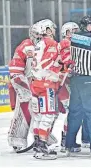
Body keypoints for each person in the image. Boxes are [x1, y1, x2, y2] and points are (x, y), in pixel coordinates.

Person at [64, 15, 91, 159]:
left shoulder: (74, 38)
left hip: (76, 80)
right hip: (90, 80)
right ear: (89, 26)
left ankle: (69, 146)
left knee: (75, 114)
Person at [30, 20, 60, 160]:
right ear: (47, 30)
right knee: (48, 115)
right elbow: (49, 63)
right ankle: (42, 145)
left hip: (36, 83)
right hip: (46, 84)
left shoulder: (38, 44)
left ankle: (37, 143)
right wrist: (60, 66)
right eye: (52, 28)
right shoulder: (51, 43)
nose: (54, 31)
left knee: (38, 116)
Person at [7, 24, 36, 152]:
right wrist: (23, 87)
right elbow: (15, 70)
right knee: (24, 110)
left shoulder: (50, 46)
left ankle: (42, 139)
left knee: (45, 114)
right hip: (29, 84)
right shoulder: (25, 47)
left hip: (43, 85)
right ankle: (16, 139)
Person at [58, 21, 83, 152]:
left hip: (69, 82)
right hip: (64, 83)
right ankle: (66, 139)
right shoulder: (65, 43)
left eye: (75, 31)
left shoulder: (75, 44)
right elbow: (65, 64)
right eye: (71, 31)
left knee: (75, 112)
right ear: (65, 33)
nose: (74, 34)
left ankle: (69, 139)